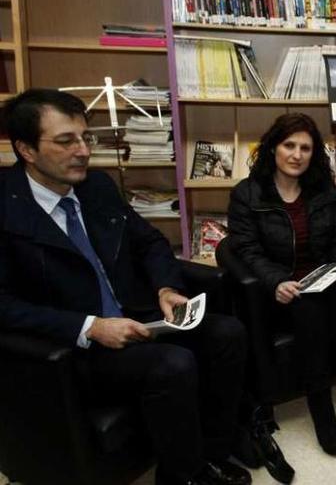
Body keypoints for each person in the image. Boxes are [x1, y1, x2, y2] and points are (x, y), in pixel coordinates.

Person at [0, 89, 250, 485]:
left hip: (137, 316)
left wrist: (166, 288)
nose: (82, 151)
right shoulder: (7, 209)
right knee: (173, 364)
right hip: (75, 348)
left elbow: (149, 241)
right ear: (26, 150)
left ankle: (214, 450)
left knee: (228, 334)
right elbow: (5, 304)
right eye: (66, 141)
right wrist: (89, 326)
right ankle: (183, 475)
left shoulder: (95, 188)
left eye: (86, 138)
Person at [227, 113, 336, 456]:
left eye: (305, 147)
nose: (297, 154)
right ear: (273, 147)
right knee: (310, 310)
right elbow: (246, 250)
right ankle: (321, 405)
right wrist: (276, 281)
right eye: (289, 145)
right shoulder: (247, 193)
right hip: (281, 289)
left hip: (323, 276)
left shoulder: (323, 188)